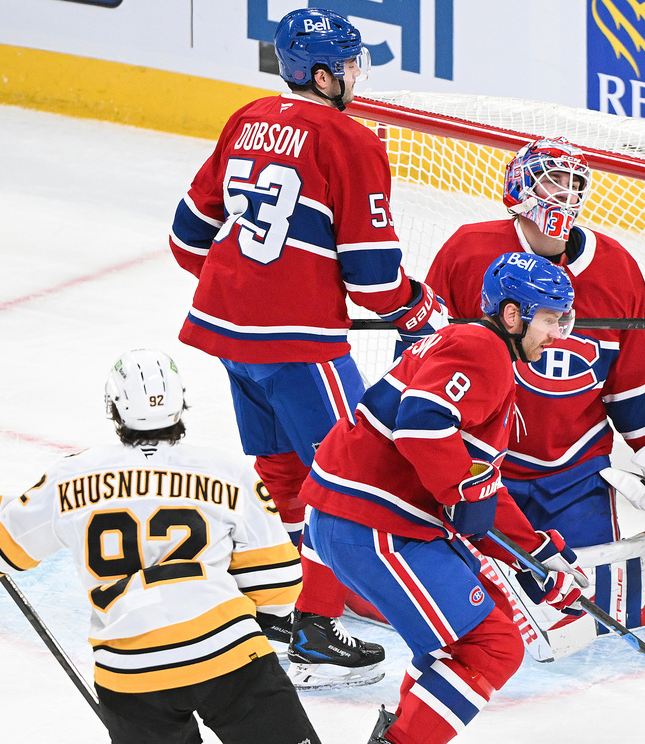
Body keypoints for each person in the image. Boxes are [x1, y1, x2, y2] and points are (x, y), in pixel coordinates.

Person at [168, 7, 446, 689]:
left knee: (286, 472)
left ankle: (279, 605)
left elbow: (184, 237)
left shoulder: (246, 118)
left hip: (227, 333)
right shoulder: (350, 140)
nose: (358, 74)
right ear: (321, 75)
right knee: (351, 478)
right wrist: (418, 308)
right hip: (297, 345)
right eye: (350, 64)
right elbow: (376, 278)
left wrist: (251, 285)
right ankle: (317, 630)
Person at [0, 349, 321, 744]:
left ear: (113, 407)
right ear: (182, 401)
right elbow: (278, 584)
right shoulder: (226, 472)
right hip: (230, 658)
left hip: (131, 673)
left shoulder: (71, 477)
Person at [424, 137, 645, 652]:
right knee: (477, 614)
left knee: (589, 617)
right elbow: (424, 359)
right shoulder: (468, 251)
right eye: (553, 178)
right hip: (485, 466)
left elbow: (637, 375)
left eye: (575, 181)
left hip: (575, 472)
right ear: (520, 184)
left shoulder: (617, 266)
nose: (565, 192)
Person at [297, 254, 589, 744]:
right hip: (373, 526)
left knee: (479, 630)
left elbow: (478, 483)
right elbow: (421, 424)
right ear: (513, 315)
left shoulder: (475, 348)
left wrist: (538, 555)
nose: (559, 333)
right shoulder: (482, 347)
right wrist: (463, 490)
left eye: (564, 319)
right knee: (489, 646)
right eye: (550, 318)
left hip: (364, 520)